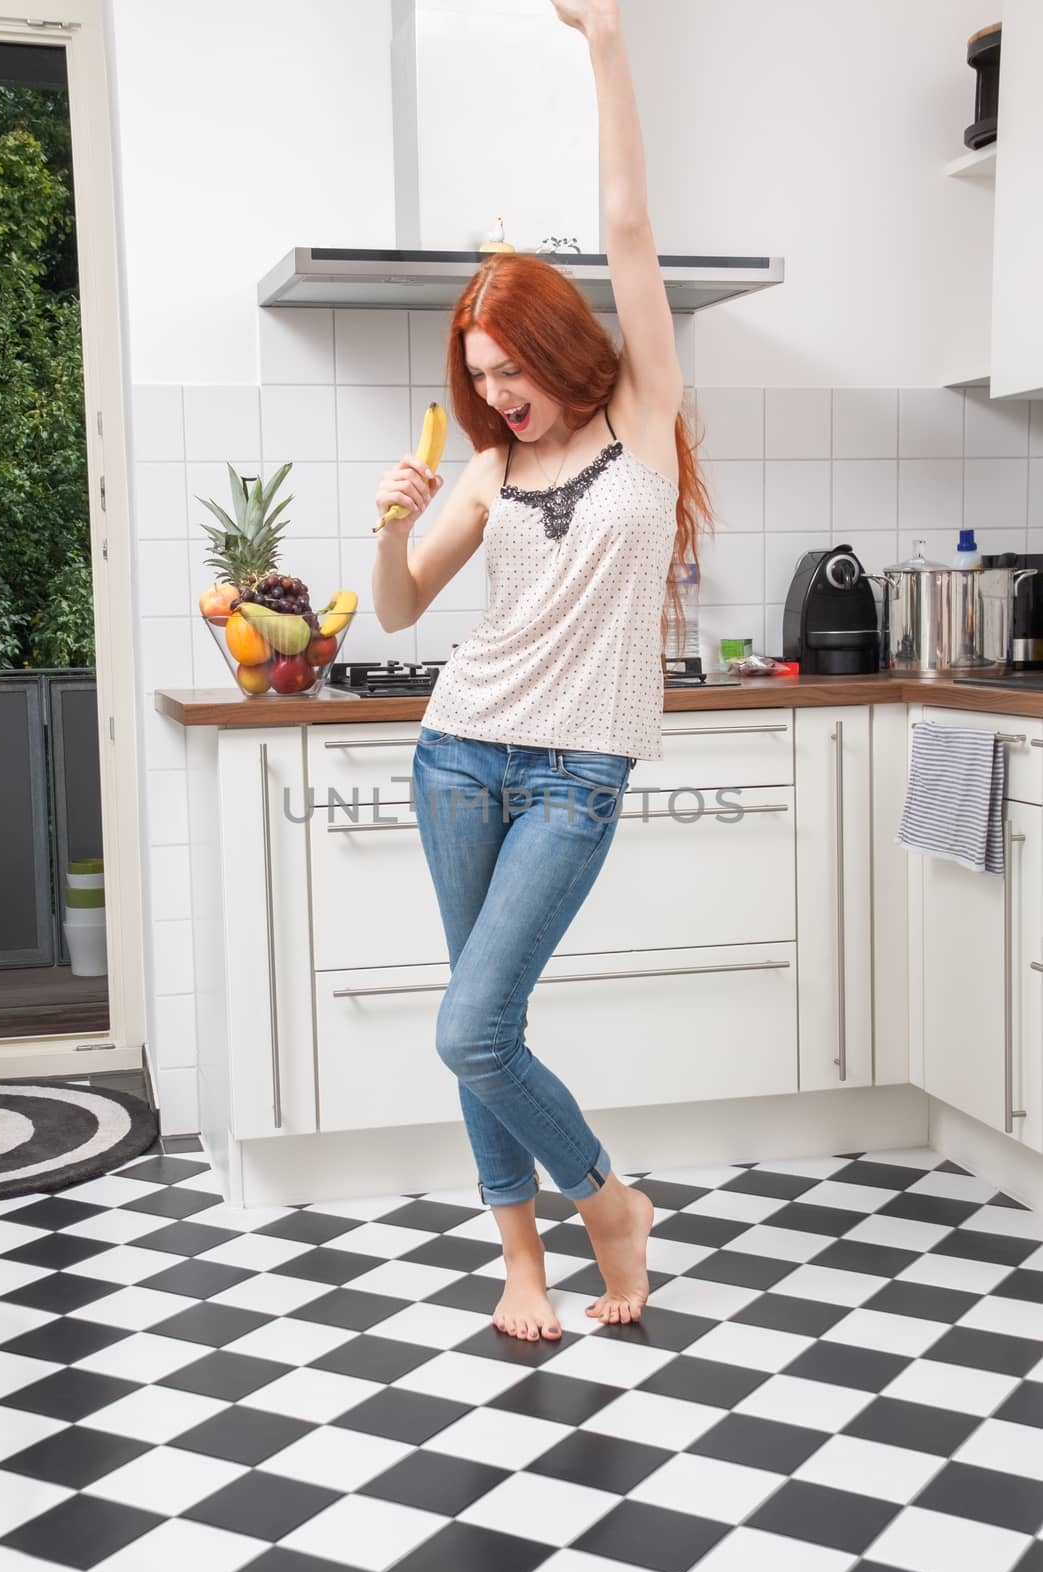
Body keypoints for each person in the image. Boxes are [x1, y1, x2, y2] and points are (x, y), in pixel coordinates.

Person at [371, 0, 712, 1342]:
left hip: (579, 768)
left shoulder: (642, 415)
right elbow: (400, 612)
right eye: (479, 376)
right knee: (480, 1008)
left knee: (470, 1025)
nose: (499, 394)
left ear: (561, 348)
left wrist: (607, 41)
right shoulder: (490, 468)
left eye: (512, 368)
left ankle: (603, 1201)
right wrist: (392, 526)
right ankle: (524, 1260)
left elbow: (629, 227)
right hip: (460, 752)